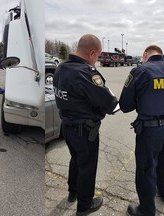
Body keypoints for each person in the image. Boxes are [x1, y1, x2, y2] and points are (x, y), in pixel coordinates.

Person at [53, 34, 118, 216]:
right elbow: (110, 104)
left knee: (76, 160)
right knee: (87, 167)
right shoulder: (85, 73)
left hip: (67, 127)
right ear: (91, 53)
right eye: (97, 56)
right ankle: (84, 206)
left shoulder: (61, 67)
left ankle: (72, 191)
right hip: (85, 131)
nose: (97, 60)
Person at [119, 45, 164, 216]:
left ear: (145, 54)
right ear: (161, 55)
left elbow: (125, 105)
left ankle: (146, 210)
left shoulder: (139, 71)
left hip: (149, 131)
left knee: (147, 169)